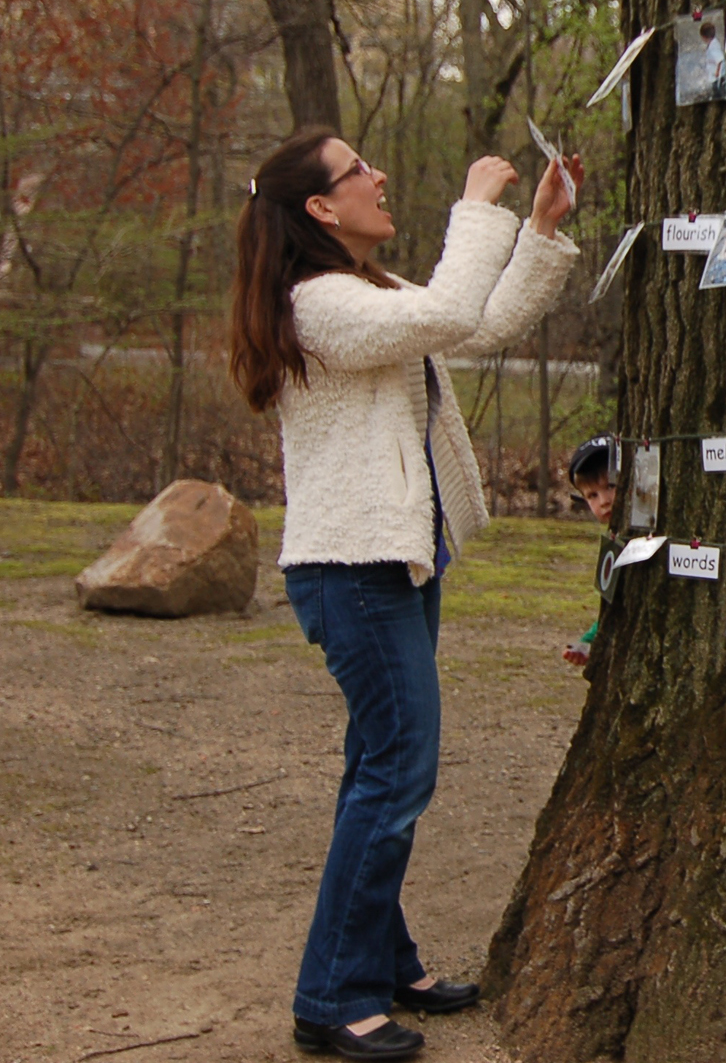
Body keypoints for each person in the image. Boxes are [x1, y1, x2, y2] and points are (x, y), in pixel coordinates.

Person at [229, 127, 582, 1061]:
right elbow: (453, 306)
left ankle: (382, 962)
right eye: (359, 172)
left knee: (379, 769)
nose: (379, 176)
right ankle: (331, 997)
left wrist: (539, 231)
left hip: (395, 562)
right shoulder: (318, 304)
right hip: (352, 572)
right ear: (320, 207)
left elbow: (474, 322)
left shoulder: (366, 293)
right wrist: (478, 206)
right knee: (395, 773)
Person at [562, 435, 614, 667]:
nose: (604, 501)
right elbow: (612, 604)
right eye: (592, 495)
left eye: (611, 486)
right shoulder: (615, 543)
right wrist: (590, 642)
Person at [701, 18, 726, 96]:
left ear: (704, 37)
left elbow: (720, 59)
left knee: (717, 92)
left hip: (716, 77)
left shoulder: (713, 46)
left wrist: (717, 72)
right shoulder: (712, 44)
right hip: (713, 75)